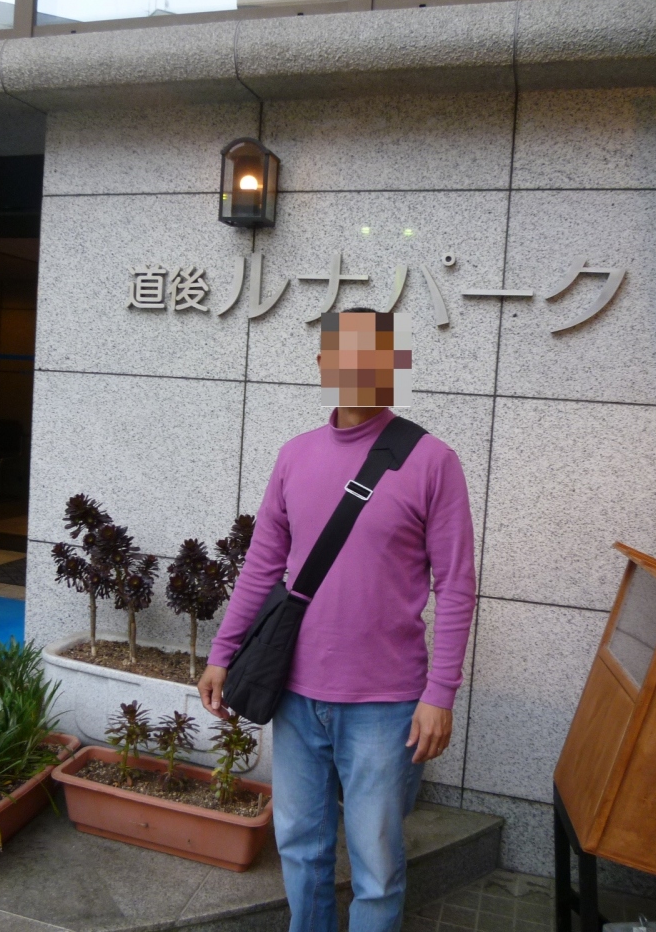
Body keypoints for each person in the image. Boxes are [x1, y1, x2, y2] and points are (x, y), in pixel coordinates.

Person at [198, 308, 477, 932]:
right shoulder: (294, 456)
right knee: (300, 845)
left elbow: (457, 584)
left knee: (376, 865)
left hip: (387, 703)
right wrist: (222, 653)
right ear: (324, 364)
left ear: (395, 367)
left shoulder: (432, 461)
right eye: (344, 356)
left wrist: (440, 694)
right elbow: (261, 567)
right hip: (295, 693)